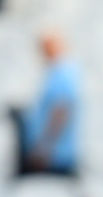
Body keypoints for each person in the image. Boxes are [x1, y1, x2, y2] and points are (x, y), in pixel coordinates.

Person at [13, 31, 80, 176]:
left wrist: (44, 149)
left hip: (55, 156)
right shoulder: (54, 73)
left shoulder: (63, 74)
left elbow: (60, 112)